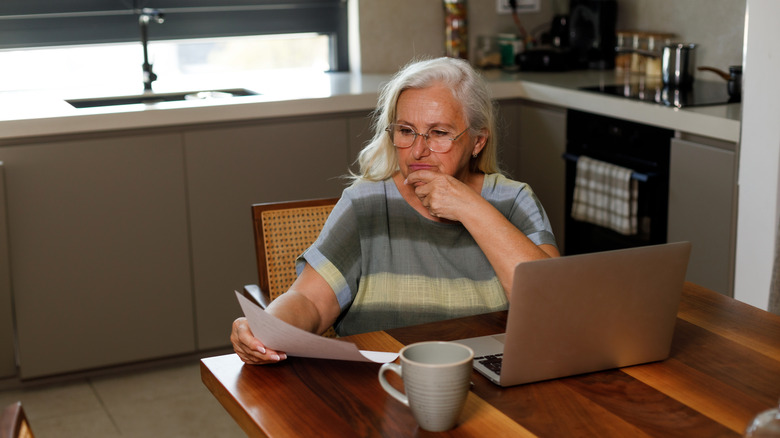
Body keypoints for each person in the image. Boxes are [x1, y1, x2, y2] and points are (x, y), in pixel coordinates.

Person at [231, 56, 559, 364]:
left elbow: (552, 308)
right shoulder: (366, 204)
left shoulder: (514, 201)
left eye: (439, 133)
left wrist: (469, 206)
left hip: (491, 382)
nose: (418, 150)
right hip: (381, 385)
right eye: (405, 131)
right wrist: (265, 328)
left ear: (477, 142)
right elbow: (310, 302)